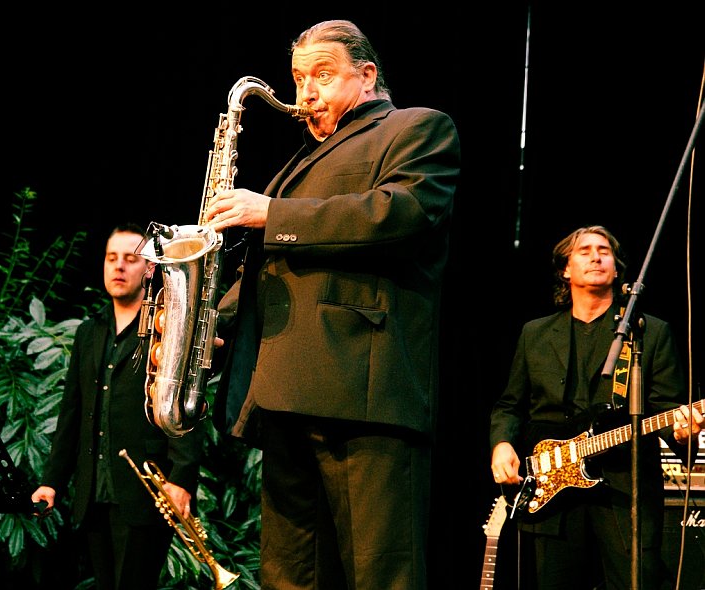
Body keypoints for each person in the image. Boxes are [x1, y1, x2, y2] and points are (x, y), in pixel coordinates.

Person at [205, 19, 460, 589]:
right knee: (290, 577)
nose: (306, 93)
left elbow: (401, 213)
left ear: (366, 76)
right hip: (284, 391)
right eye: (299, 79)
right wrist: (209, 326)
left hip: (364, 395)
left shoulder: (417, 128)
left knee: (382, 575)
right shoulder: (298, 163)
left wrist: (273, 213)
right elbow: (268, 270)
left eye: (322, 75)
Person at [489, 225, 702, 590]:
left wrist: (683, 432)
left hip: (624, 493)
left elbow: (667, 408)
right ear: (565, 269)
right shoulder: (535, 334)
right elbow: (510, 404)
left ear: (617, 270)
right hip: (552, 492)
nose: (596, 257)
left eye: (604, 251)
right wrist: (502, 444)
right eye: (584, 251)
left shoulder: (649, 333)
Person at [31, 223, 203, 590]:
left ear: (149, 269)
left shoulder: (167, 329)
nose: (119, 266)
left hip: (147, 494)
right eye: (112, 258)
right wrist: (51, 482)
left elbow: (182, 410)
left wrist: (181, 480)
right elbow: (71, 413)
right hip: (94, 492)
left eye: (130, 258)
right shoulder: (89, 332)